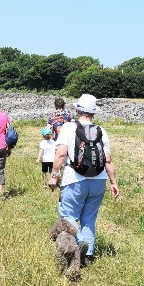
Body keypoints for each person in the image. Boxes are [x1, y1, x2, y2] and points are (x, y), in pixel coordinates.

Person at [48, 94, 119, 266]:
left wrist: (53, 175)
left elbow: (61, 154)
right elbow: (108, 159)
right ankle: (88, 255)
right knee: (89, 218)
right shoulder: (101, 131)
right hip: (99, 180)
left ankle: (79, 243)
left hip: (75, 179)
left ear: (77, 110)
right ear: (93, 113)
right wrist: (113, 182)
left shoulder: (68, 128)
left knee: (69, 215)